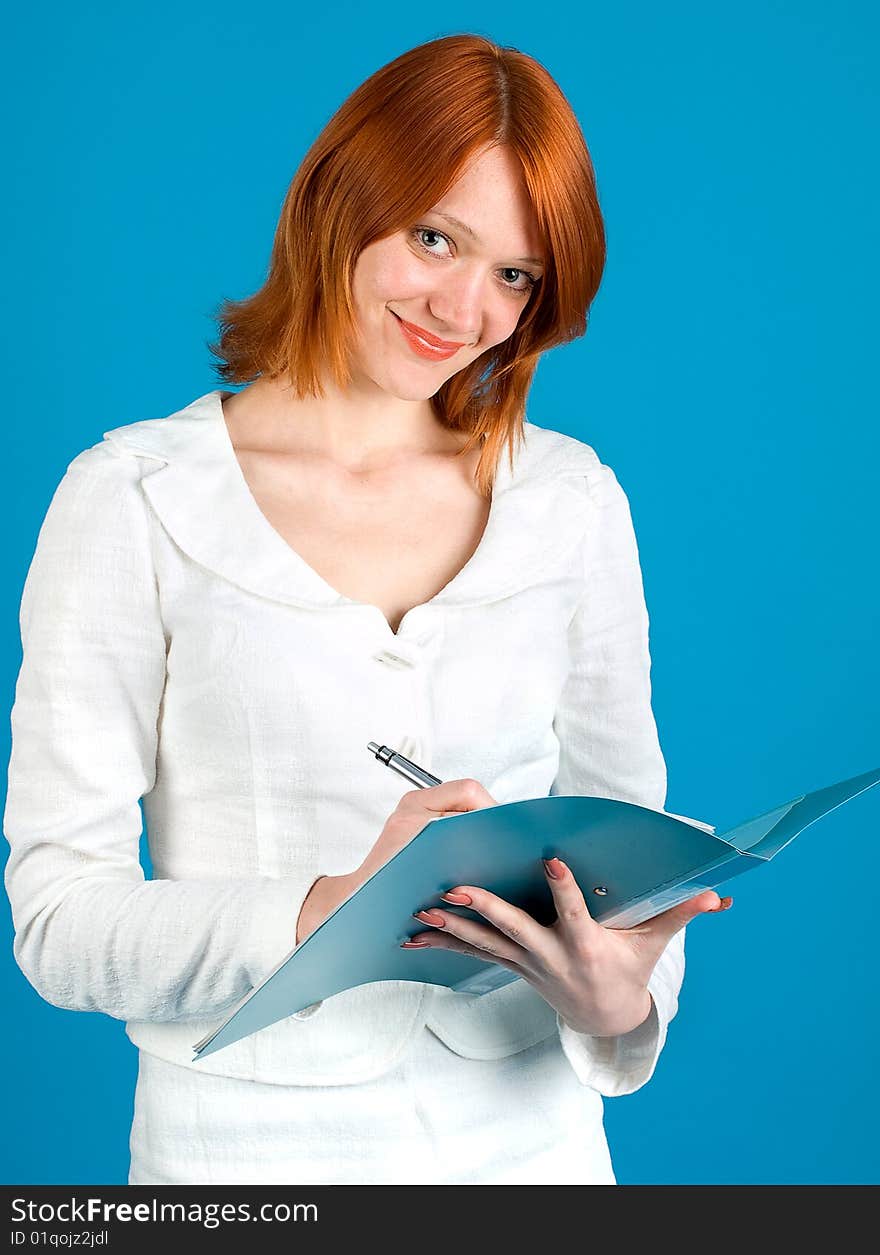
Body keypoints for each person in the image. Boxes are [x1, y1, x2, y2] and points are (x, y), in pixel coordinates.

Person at [3, 32, 730, 1186]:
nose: (462, 307)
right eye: (434, 237)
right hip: (244, 1166)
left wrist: (620, 999)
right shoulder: (133, 499)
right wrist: (326, 910)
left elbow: (626, 854)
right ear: (342, 201)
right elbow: (55, 923)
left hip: (535, 1152)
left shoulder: (572, 502)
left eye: (513, 274)